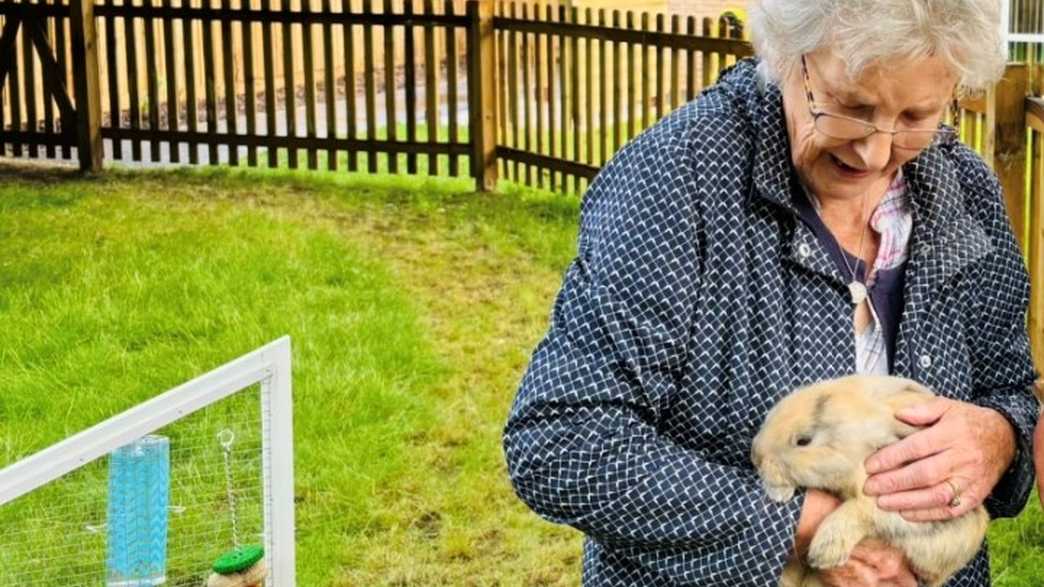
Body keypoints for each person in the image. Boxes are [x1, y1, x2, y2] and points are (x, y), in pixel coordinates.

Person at [502, 1, 1041, 585]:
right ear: (787, 56)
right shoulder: (677, 179)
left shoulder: (963, 191)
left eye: (917, 115)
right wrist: (802, 527)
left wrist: (998, 438)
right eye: (851, 108)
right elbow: (563, 441)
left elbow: (1006, 390)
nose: (877, 153)